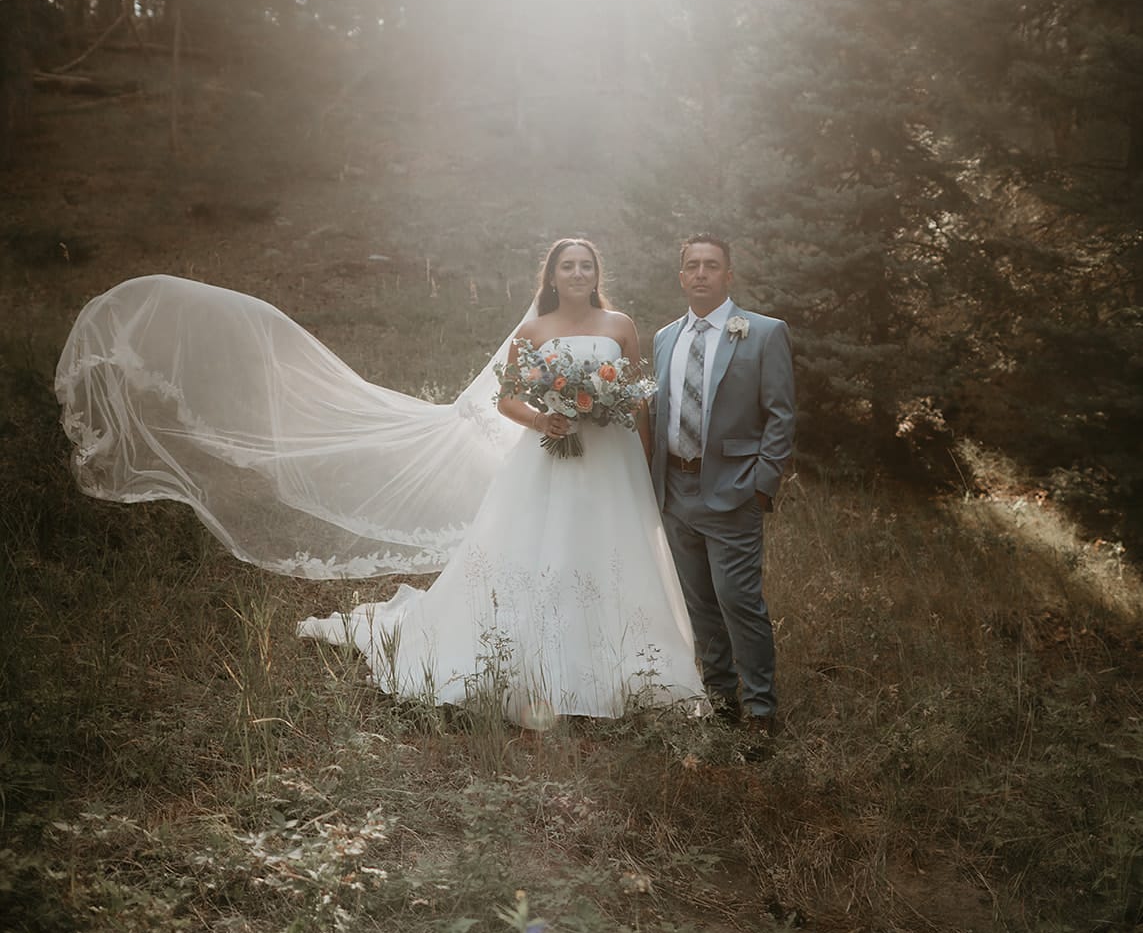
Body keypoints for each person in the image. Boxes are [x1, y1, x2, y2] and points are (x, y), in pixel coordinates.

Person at [55, 243, 706, 724]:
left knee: (611, 549)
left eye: (586, 266)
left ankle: (632, 668)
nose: (578, 275)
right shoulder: (534, 331)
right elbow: (508, 400)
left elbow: (636, 398)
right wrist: (547, 418)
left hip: (611, 458)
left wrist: (639, 457)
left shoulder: (619, 326)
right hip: (551, 450)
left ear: (597, 275)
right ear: (552, 275)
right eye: (568, 266)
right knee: (547, 549)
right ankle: (542, 669)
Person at [650, 235, 795, 740]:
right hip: (675, 490)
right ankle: (720, 697)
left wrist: (762, 484)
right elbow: (660, 409)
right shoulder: (665, 337)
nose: (701, 274)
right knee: (700, 604)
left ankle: (759, 709)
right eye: (692, 265)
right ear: (681, 275)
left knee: (739, 600)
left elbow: (780, 414)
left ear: (729, 274)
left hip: (734, 490)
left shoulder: (762, 333)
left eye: (712, 265)